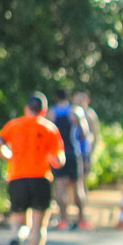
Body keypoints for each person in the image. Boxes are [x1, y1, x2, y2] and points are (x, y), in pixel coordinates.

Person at [0, 92, 65, 245]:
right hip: (40, 178)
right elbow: (59, 159)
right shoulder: (49, 128)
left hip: (17, 178)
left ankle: (17, 237)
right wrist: (53, 160)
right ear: (44, 110)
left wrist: (9, 156)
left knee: (19, 221)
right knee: (39, 225)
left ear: (26, 108)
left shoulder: (13, 125)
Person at [47, 89, 91, 230]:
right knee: (77, 187)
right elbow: (85, 133)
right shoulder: (75, 111)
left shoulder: (51, 113)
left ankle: (63, 220)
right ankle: (82, 220)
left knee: (60, 187)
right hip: (73, 153)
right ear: (69, 97)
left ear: (55, 98)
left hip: (58, 153)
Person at [73, 90, 102, 186]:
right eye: (78, 97)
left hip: (85, 150)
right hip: (72, 150)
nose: (79, 100)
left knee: (82, 180)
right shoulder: (70, 112)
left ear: (88, 100)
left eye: (82, 98)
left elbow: (95, 135)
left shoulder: (90, 115)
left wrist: (91, 153)